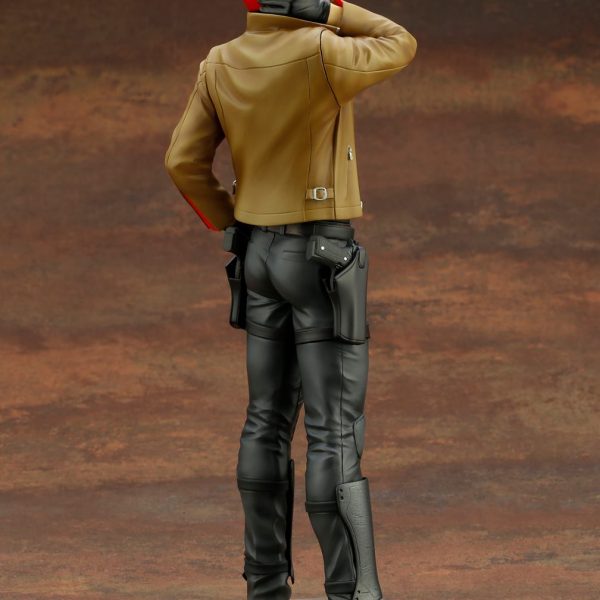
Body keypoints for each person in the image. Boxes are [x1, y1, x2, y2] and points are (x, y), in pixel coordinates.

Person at [164, 1, 417, 598]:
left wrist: (232, 221)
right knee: (333, 432)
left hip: (256, 256)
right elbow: (400, 41)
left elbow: (182, 162)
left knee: (264, 421)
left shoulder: (221, 61)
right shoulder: (323, 50)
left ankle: (265, 586)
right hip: (321, 257)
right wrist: (331, 11)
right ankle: (350, 592)